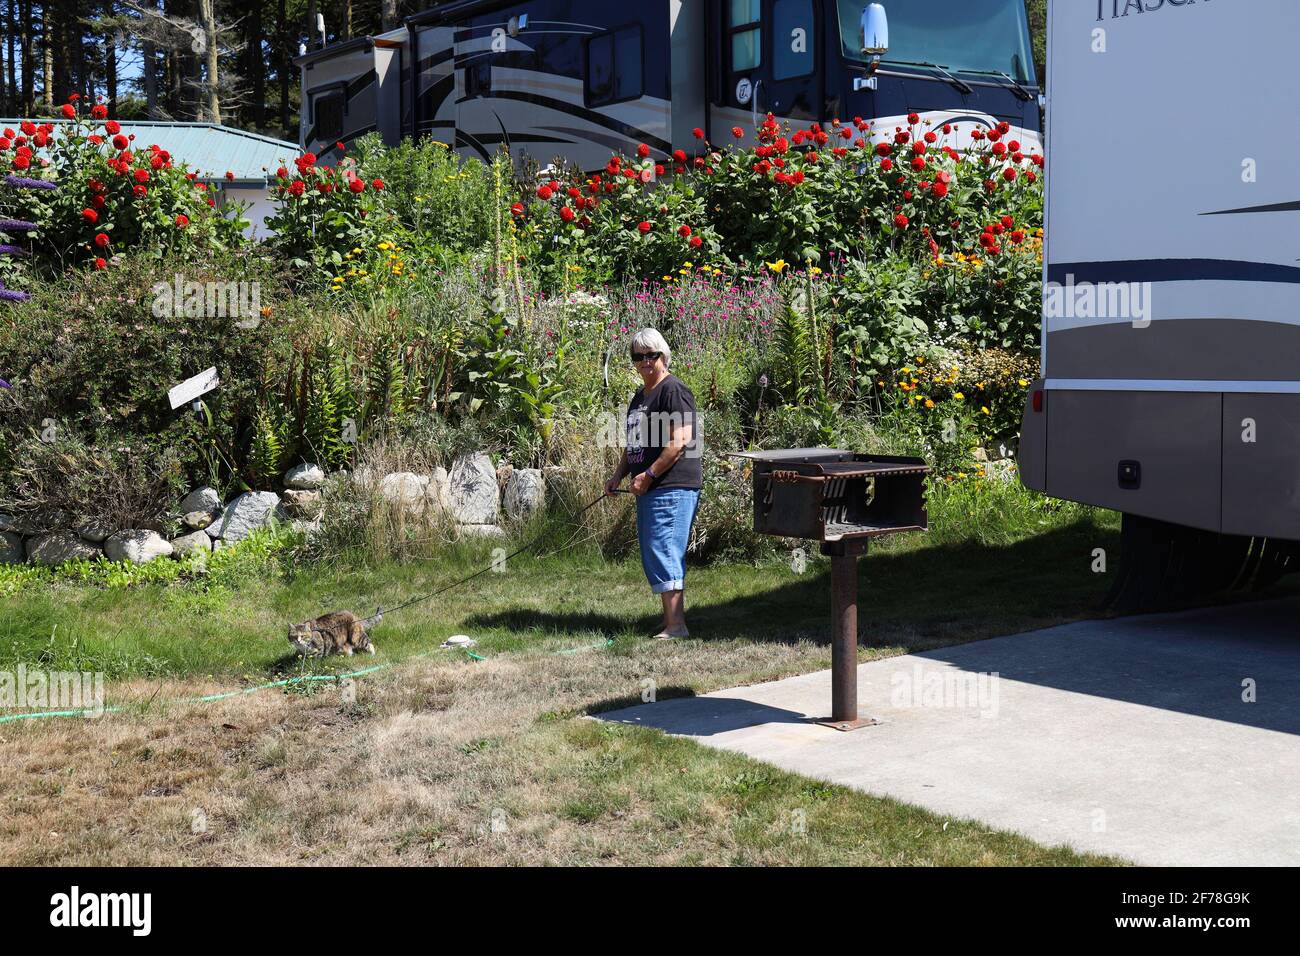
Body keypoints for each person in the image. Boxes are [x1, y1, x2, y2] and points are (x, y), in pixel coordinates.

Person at [605, 328, 702, 639]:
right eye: (638, 356)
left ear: (663, 356)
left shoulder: (674, 391)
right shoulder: (640, 396)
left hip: (672, 484)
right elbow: (632, 443)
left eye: (651, 355)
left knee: (664, 548)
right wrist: (619, 474)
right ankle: (670, 621)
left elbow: (681, 440)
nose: (645, 361)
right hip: (650, 485)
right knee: (654, 549)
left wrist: (650, 474)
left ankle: (677, 626)